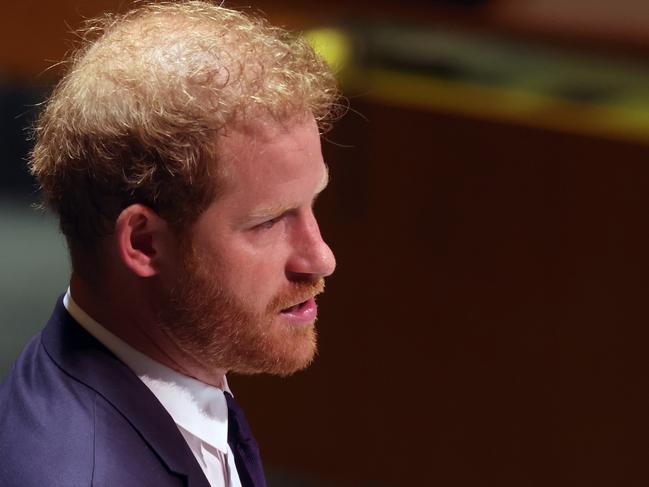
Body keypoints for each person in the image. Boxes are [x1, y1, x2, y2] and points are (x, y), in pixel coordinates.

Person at [0, 2, 340, 486]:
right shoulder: (85, 471)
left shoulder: (176, 379)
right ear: (143, 243)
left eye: (312, 203)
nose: (320, 258)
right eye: (268, 222)